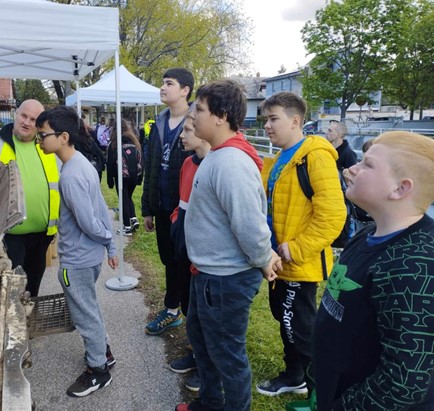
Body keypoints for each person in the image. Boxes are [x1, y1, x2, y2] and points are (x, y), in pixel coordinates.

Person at [175, 79, 282, 411]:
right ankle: (210, 403)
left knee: (227, 356)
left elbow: (250, 223)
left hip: (225, 280)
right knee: (205, 347)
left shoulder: (231, 163)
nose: (194, 115)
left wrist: (264, 257)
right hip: (209, 275)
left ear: (220, 116)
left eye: (201, 109)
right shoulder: (219, 156)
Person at [312, 131, 434, 410]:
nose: (351, 169)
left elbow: (405, 380)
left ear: (400, 189)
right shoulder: (369, 232)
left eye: (367, 165)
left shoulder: (414, 266)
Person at [256, 91, 347, 397]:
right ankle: (297, 374)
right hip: (280, 261)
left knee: (297, 324)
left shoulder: (315, 156)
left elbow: (333, 215)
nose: (267, 126)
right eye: (265, 119)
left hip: (300, 262)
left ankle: (309, 383)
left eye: (273, 119)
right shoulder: (281, 157)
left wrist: (295, 248)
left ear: (295, 120)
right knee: (285, 318)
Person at [35, 106, 118, 397]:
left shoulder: (70, 175)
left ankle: (98, 371)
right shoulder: (80, 163)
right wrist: (109, 245)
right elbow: (99, 210)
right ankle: (103, 354)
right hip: (89, 256)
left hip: (77, 260)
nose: (39, 141)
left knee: (85, 314)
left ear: (63, 136)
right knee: (90, 307)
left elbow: (90, 221)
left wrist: (107, 238)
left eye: (43, 135)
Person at [0, 99, 59, 297]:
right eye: (24, 116)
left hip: (42, 235)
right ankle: (10, 326)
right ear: (16, 114)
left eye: (33, 119)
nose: (26, 122)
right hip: (7, 236)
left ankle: (28, 323)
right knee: (8, 290)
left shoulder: (46, 147)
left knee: (32, 288)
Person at [141, 68, 195, 335]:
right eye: (162, 83)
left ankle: (187, 315)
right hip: (162, 207)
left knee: (184, 262)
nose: (162, 88)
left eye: (169, 83)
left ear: (185, 90)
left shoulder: (197, 120)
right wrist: (148, 209)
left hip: (185, 210)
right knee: (168, 260)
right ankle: (172, 311)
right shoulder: (159, 121)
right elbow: (151, 167)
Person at [167, 106, 209, 393]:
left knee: (206, 314)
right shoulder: (188, 163)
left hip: (205, 254)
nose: (181, 135)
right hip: (184, 246)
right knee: (190, 307)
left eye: (187, 130)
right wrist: (174, 222)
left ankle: (207, 368)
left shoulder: (217, 165)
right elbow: (181, 203)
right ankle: (196, 354)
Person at [106, 118, 143, 235]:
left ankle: (126, 227)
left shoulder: (114, 144)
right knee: (128, 198)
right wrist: (139, 178)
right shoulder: (134, 141)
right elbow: (142, 160)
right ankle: (133, 218)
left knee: (123, 200)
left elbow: (110, 163)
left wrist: (110, 181)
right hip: (134, 175)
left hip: (120, 176)